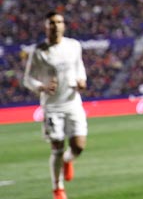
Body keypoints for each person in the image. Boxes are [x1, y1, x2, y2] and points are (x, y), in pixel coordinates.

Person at [24, 11, 88, 199]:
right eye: (52, 22)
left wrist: (82, 80)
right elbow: (28, 79)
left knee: (79, 147)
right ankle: (57, 188)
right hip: (52, 107)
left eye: (59, 22)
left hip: (73, 103)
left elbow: (79, 67)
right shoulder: (38, 51)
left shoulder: (74, 46)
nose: (56, 25)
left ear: (64, 25)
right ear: (46, 26)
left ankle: (69, 160)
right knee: (57, 147)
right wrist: (41, 87)